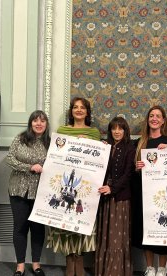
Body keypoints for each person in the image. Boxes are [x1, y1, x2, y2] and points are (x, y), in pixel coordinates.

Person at [46, 97, 100, 276]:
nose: (78, 110)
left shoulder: (94, 133)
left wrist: (89, 143)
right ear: (71, 111)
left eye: (82, 108)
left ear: (87, 112)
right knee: (65, 221)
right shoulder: (62, 131)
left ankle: (80, 260)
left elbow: (97, 159)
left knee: (81, 219)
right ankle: (70, 259)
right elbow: (55, 155)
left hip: (84, 186)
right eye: (75, 107)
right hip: (64, 183)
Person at [132, 106, 167, 276]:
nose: (154, 119)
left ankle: (162, 269)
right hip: (143, 194)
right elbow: (132, 171)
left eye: (158, 116)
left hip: (163, 195)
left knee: (163, 228)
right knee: (146, 230)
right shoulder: (140, 142)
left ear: (163, 120)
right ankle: (150, 267)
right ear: (148, 119)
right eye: (151, 116)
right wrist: (137, 167)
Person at [6, 110, 51, 276]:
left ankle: (36, 264)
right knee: (20, 228)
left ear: (46, 124)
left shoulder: (51, 143)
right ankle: (20, 265)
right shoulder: (20, 138)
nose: (39, 124)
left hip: (41, 192)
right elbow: (10, 159)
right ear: (30, 123)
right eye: (35, 120)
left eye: (42, 121)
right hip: (18, 190)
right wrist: (29, 167)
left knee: (38, 228)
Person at [95, 117, 135, 276]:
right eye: (114, 128)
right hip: (103, 196)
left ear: (125, 131)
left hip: (120, 198)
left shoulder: (130, 148)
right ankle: (104, 271)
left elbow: (128, 174)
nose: (117, 131)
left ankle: (116, 271)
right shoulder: (105, 147)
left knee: (117, 236)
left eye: (120, 128)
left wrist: (112, 188)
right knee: (105, 233)